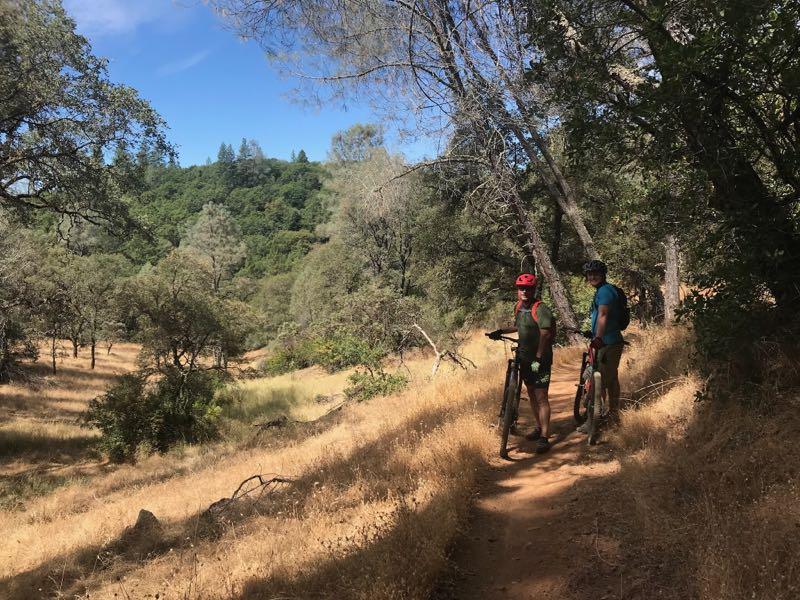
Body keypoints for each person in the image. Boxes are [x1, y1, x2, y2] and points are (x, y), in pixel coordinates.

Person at [487, 273, 556, 454]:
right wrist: (501, 331)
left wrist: (539, 358)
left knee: (541, 396)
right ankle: (539, 427)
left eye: (528, 288)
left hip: (540, 360)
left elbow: (546, 333)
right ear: (517, 290)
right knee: (532, 392)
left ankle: (544, 437)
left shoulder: (541, 309)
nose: (524, 291)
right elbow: (519, 327)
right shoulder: (518, 307)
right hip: (525, 358)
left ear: (534, 290)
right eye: (521, 288)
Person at [580, 260, 625, 430]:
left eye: (596, 274)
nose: (593, 276)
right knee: (611, 379)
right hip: (610, 340)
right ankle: (612, 415)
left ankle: (593, 420)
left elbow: (604, 315)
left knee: (598, 380)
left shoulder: (605, 292)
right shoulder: (604, 290)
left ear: (603, 275)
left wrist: (598, 338)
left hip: (608, 342)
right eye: (590, 274)